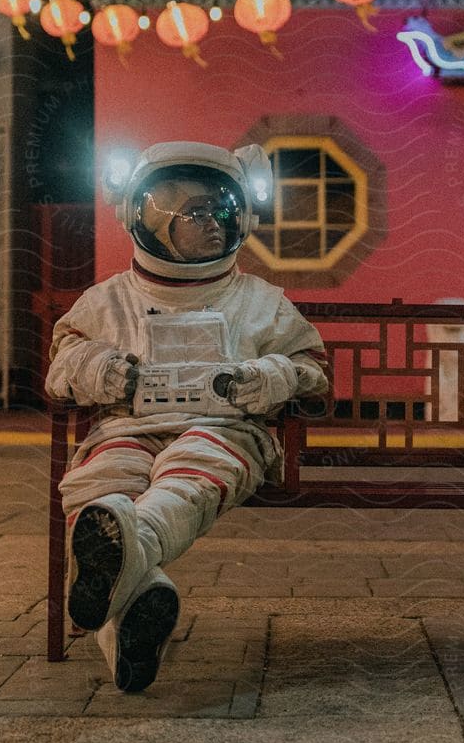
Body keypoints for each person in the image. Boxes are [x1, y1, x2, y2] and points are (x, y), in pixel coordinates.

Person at [46, 140, 328, 693]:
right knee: (98, 486)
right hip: (127, 428)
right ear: (149, 218)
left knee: (192, 469)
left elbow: (312, 370)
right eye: (196, 213)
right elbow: (63, 364)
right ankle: (132, 615)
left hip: (225, 432)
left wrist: (268, 377)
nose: (215, 225)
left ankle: (131, 548)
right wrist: (106, 371)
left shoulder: (259, 299)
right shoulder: (106, 300)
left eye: (222, 211)